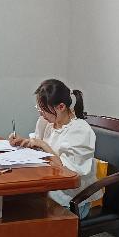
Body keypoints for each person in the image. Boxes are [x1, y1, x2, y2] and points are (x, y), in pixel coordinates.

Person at [9, 78, 97, 217]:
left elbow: (68, 173)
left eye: (44, 110)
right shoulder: (47, 122)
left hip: (70, 198)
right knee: (15, 200)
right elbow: (38, 148)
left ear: (61, 107)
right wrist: (24, 142)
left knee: (25, 209)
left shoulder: (80, 131)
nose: (41, 114)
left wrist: (43, 145)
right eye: (39, 108)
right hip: (48, 186)